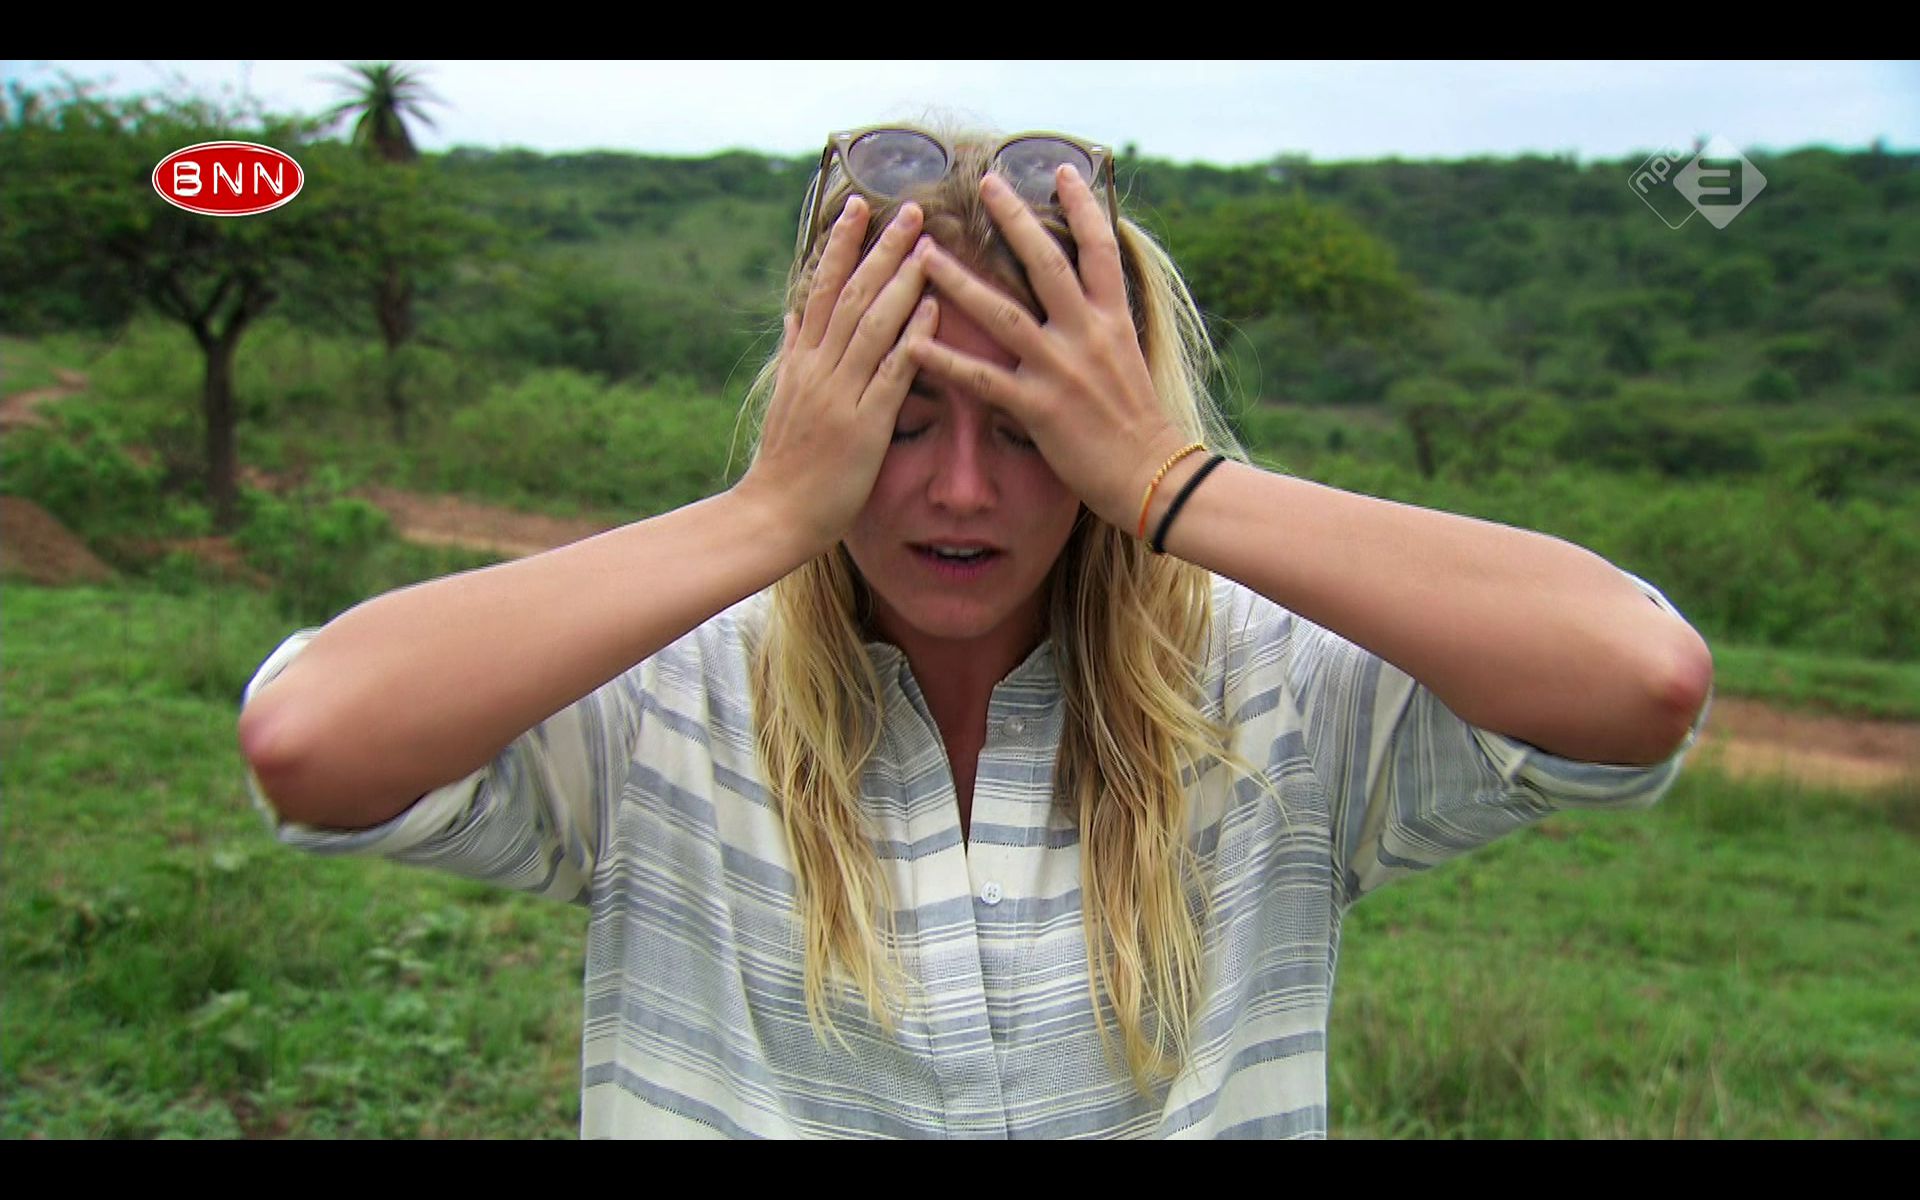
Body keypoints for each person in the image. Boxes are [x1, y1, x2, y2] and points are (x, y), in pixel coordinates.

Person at [237, 124, 1714, 1138]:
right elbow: (313, 742)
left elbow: (1636, 679)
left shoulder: (1268, 697)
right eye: (897, 419)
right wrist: (766, 513)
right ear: (818, 412)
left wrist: (1168, 481)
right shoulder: (669, 701)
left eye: (1026, 428)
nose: (959, 490)